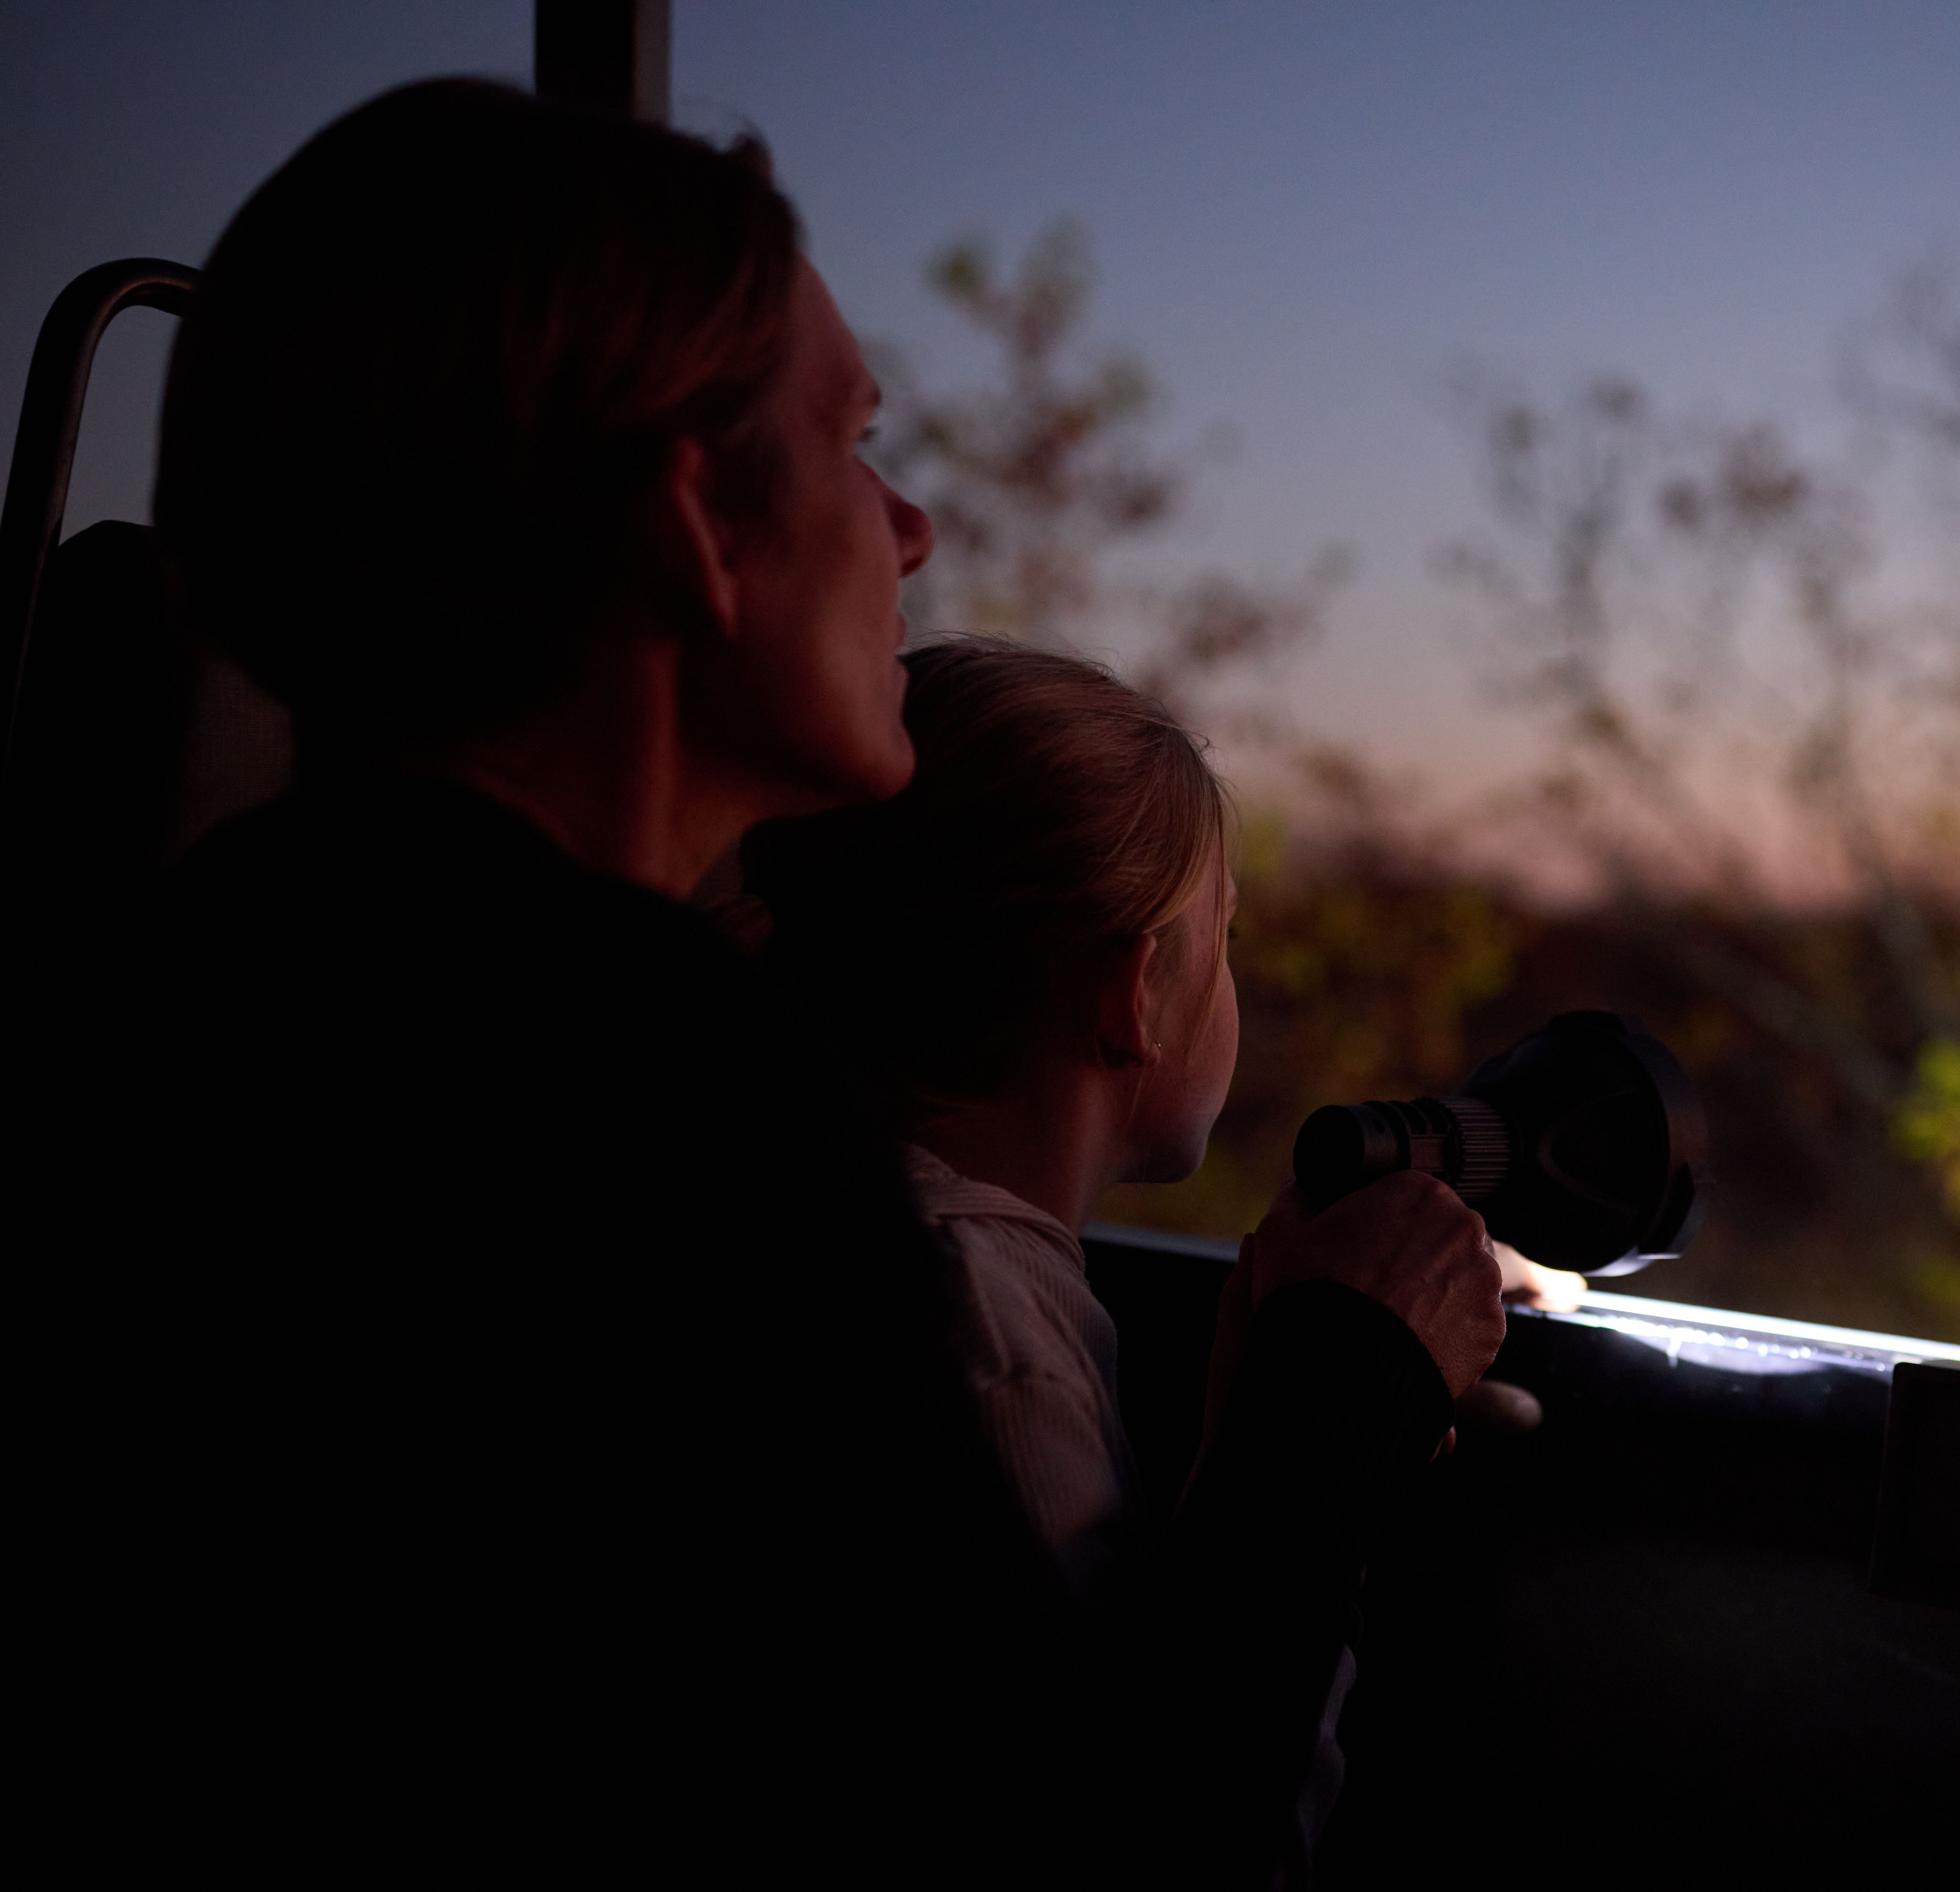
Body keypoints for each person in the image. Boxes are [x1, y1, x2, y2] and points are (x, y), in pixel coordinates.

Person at [27, 77, 1502, 1879]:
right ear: (703, 527)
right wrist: (1342, 1389)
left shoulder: (195, 982)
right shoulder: (646, 1092)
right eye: (851, 440)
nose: (912, 533)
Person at [742, 638, 1558, 1876]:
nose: (1230, 979)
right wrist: (1348, 1379)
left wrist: (1253, 1419)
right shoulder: (985, 1345)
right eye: (1221, 941)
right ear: (1134, 993)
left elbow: (1124, 1685)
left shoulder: (852, 1238)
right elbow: (1161, 1830)